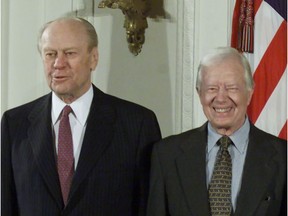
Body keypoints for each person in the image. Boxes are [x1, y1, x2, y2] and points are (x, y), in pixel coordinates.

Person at [1, 17, 161, 216]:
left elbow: (149, 206)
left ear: (93, 58)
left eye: (69, 53)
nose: (58, 64)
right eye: (50, 54)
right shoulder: (14, 124)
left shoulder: (137, 123)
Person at [147, 47, 287, 216]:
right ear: (200, 94)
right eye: (212, 88)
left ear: (249, 93)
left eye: (232, 88)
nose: (221, 98)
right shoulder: (166, 155)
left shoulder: (282, 157)